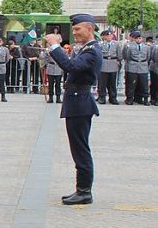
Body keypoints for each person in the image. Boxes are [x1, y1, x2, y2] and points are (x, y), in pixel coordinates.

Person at [45, 14, 101, 205]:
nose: (74, 32)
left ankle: (85, 191)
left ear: (89, 29)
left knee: (80, 149)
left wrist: (54, 46)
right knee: (77, 148)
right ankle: (81, 189)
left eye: (78, 29)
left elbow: (71, 66)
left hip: (80, 103)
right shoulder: (86, 49)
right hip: (77, 101)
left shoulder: (92, 51)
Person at [122, 30, 149, 105]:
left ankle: (144, 99)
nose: (138, 39)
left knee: (143, 84)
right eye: (137, 38)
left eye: (140, 38)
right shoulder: (130, 47)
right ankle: (130, 99)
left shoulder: (146, 47)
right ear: (135, 39)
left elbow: (148, 57)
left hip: (143, 67)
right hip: (133, 67)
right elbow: (127, 56)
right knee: (131, 84)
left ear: (142, 39)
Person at [97, 30, 121, 105]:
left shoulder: (116, 44)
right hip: (104, 63)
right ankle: (102, 98)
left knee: (112, 83)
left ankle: (113, 98)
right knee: (102, 83)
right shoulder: (100, 44)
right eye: (107, 36)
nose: (109, 37)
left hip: (113, 63)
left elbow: (119, 54)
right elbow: (98, 55)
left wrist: (118, 61)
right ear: (105, 36)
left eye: (110, 35)